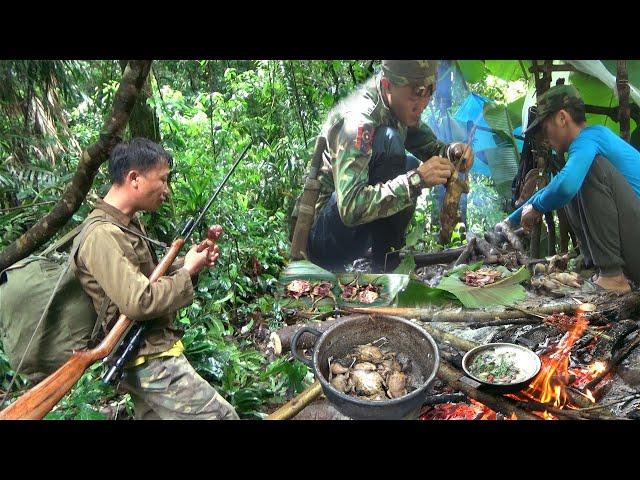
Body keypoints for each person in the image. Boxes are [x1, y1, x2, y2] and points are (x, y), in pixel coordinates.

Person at [73, 138, 239, 419]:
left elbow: (146, 282)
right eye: (162, 180)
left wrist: (190, 265)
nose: (167, 189)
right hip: (148, 359)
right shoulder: (101, 236)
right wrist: (186, 272)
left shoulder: (124, 225)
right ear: (134, 178)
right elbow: (140, 301)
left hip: (147, 354)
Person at [306, 60, 474, 271]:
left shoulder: (397, 106)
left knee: (409, 162)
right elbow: (350, 208)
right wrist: (417, 180)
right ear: (387, 85)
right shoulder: (359, 120)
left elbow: (432, 148)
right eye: (417, 93)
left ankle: (386, 263)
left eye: (429, 92)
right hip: (322, 240)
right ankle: (385, 266)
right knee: (391, 142)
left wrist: (455, 153)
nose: (423, 104)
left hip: (351, 236)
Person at [502, 85, 640, 293]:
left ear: (562, 118)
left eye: (544, 130)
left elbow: (566, 186)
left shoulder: (590, 138)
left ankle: (612, 276)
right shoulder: (584, 148)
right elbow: (558, 187)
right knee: (568, 180)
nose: (544, 140)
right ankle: (605, 272)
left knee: (591, 169)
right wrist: (508, 223)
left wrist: (537, 207)